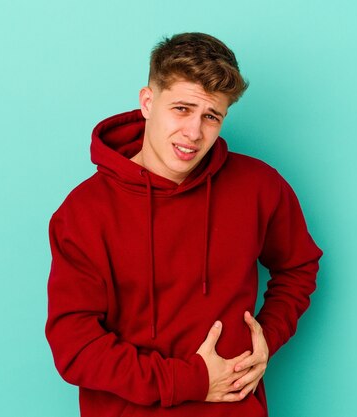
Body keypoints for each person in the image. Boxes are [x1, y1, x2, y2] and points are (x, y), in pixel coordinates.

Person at [45, 32, 322, 417]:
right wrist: (189, 380)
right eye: (181, 109)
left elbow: (298, 266)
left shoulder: (260, 187)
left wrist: (267, 339)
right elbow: (75, 347)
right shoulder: (84, 212)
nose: (194, 133)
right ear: (147, 102)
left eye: (211, 116)